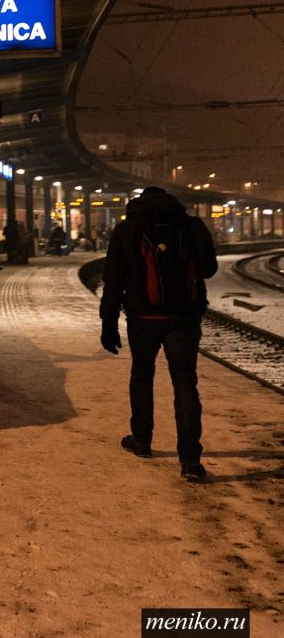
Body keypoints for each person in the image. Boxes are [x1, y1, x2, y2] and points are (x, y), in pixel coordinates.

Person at [99, 186, 217, 481]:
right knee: (185, 385)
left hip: (143, 317)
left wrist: (109, 323)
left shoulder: (127, 229)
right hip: (183, 318)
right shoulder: (191, 226)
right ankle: (190, 461)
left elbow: (113, 279)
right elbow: (209, 269)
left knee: (142, 375)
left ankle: (142, 440)